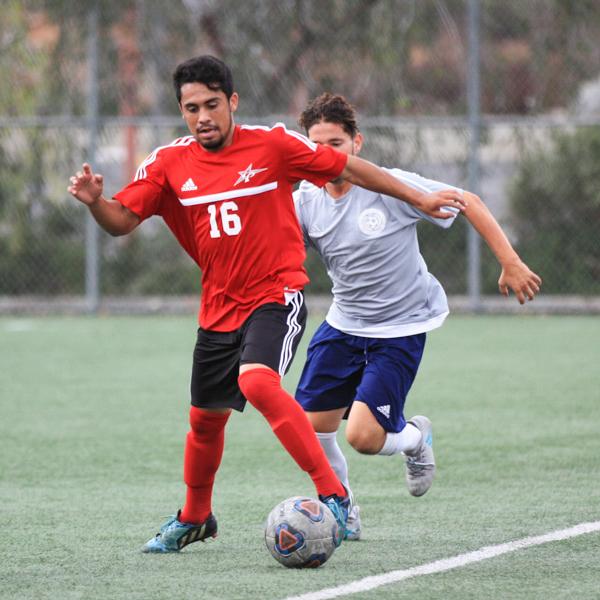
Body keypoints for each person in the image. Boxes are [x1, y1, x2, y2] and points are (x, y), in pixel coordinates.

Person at [67, 57, 468, 553]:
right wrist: (94, 203)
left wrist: (418, 197)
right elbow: (122, 221)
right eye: (192, 108)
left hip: (277, 293)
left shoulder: (273, 145)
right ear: (182, 111)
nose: (203, 117)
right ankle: (195, 517)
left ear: (232, 102)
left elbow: (349, 167)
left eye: (213, 104)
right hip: (218, 306)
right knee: (205, 418)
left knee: (256, 380)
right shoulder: (169, 163)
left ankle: (335, 494)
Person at [293, 93, 542, 541]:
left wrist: (511, 262)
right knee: (312, 428)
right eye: (316, 144)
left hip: (399, 328)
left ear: (357, 144)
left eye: (336, 142)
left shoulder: (391, 186)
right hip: (344, 323)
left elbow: (469, 202)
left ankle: (414, 439)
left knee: (364, 438)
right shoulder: (305, 201)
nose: (325, 153)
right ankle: (343, 507)